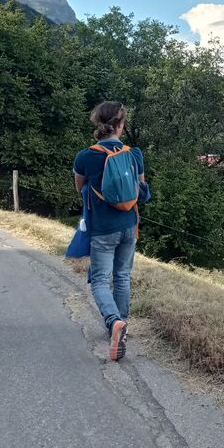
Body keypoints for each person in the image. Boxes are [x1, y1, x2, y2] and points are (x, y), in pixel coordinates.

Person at [73, 102, 144, 361]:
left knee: (101, 280)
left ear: (98, 124)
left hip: (102, 228)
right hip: (129, 225)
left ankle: (114, 322)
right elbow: (140, 188)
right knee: (122, 276)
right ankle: (122, 323)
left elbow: (79, 188)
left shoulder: (85, 157)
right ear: (120, 125)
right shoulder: (134, 154)